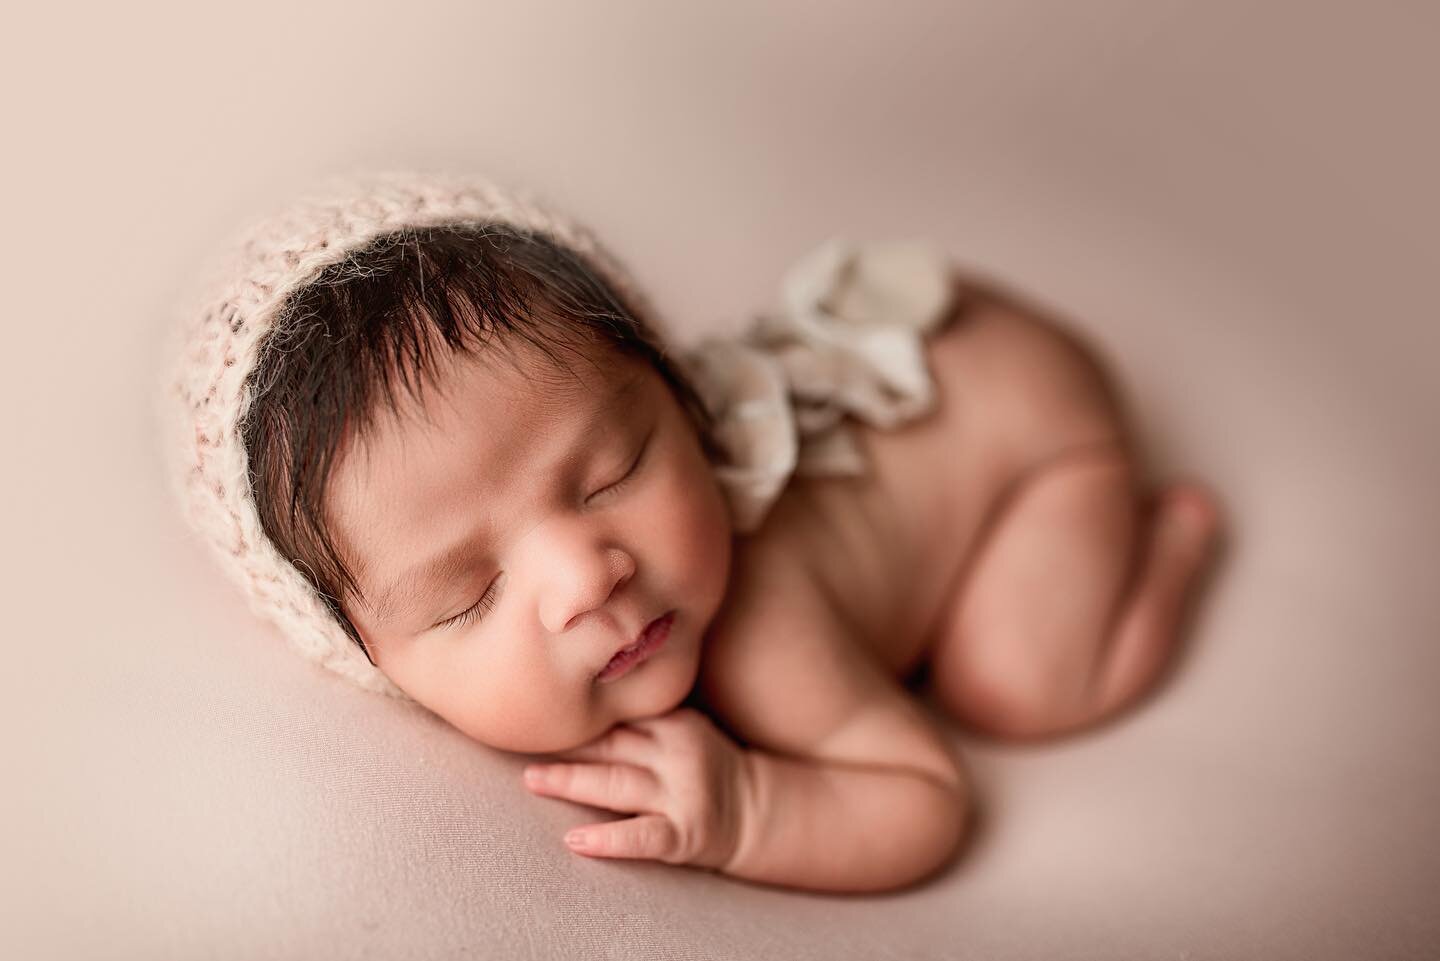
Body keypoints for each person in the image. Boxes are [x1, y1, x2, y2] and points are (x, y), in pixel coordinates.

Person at [167, 170, 1222, 893]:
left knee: (1017, 684)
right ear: (365, 658)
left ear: (686, 407)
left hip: (1028, 420)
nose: (586, 573)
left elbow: (927, 802)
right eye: (467, 594)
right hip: (957, 348)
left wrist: (750, 806)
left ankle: (1165, 543)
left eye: (614, 470)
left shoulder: (764, 631)